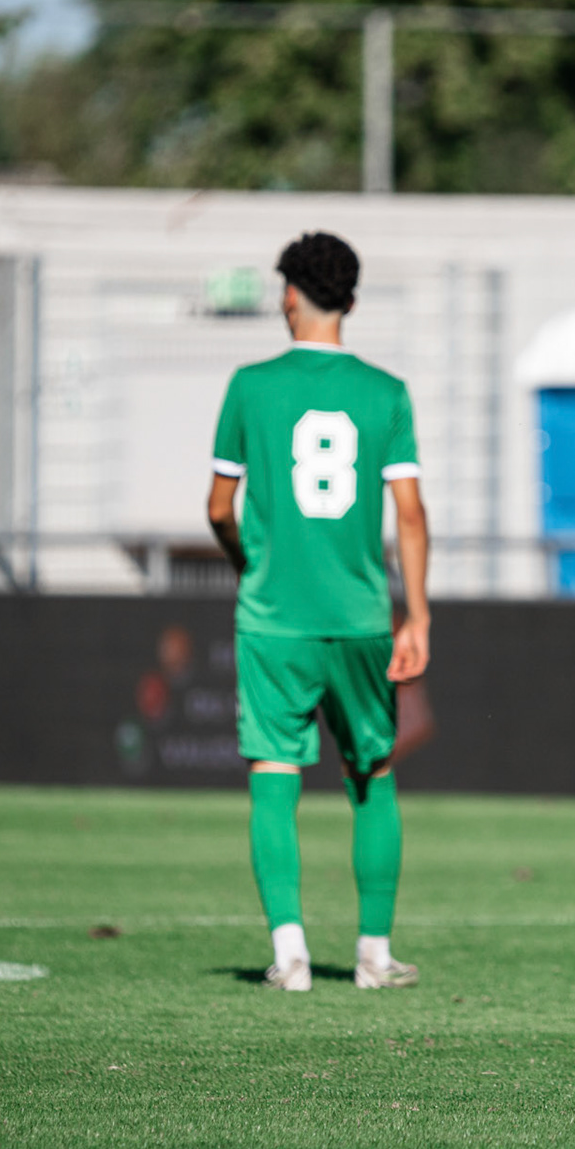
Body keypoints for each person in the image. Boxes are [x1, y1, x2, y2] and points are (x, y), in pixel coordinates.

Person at [206, 232, 430, 991]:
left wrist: (249, 562)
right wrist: (417, 616)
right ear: (352, 302)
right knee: (372, 773)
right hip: (361, 616)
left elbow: (218, 506)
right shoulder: (386, 392)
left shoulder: (250, 386)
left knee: (274, 773)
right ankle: (374, 955)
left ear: (290, 296)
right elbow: (410, 515)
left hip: (273, 617)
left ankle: (291, 954)